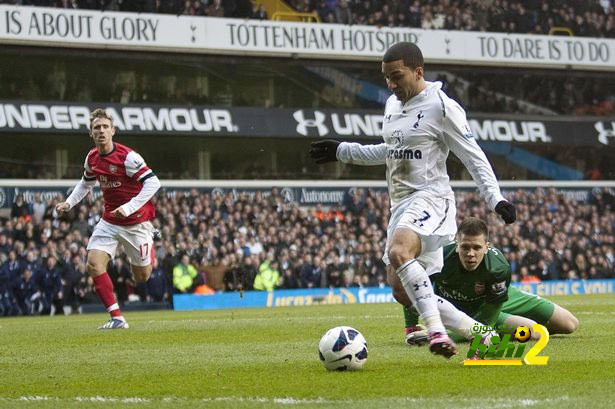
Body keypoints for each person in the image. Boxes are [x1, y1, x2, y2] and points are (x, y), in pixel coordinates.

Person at [310, 42, 516, 358]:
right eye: (386, 78)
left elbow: (473, 156)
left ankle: (436, 333)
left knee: (399, 250)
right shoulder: (393, 106)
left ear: (418, 72)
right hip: (401, 205)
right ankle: (481, 334)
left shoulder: (442, 107)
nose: (391, 85)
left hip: (432, 199)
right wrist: (343, 151)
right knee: (402, 291)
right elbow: (391, 150)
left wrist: (495, 198)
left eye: (397, 76)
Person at [56, 108, 161, 329]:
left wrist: (129, 207)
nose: (101, 131)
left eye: (105, 127)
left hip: (136, 223)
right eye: (97, 127)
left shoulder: (128, 157)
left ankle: (150, 239)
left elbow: (153, 183)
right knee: (93, 264)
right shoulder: (92, 158)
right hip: (110, 221)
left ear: (113, 131)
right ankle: (117, 318)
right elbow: (86, 183)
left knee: (142, 276)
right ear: (91, 133)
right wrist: (69, 202)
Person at [404, 217, 579, 345]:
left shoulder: (497, 268)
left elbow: (488, 318)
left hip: (496, 303)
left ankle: (450, 334)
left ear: (487, 247)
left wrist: (476, 332)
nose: (470, 253)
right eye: (465, 247)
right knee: (533, 332)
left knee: (570, 324)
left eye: (477, 247)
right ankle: (437, 334)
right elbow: (412, 285)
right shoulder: (439, 257)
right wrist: (410, 327)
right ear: (457, 244)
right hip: (465, 311)